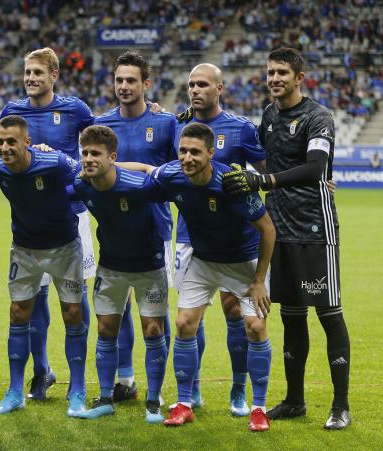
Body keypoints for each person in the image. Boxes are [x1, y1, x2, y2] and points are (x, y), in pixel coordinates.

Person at [222, 47, 351, 430]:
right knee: (293, 318)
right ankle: (295, 400)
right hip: (279, 229)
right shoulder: (269, 113)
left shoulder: (317, 117)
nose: (275, 78)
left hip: (316, 229)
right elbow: (252, 149)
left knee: (329, 315)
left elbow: (315, 167)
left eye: (282, 73)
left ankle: (340, 405)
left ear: (299, 77)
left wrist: (266, 181)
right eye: (271, 72)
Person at [120, 122, 275, 432]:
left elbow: (268, 230)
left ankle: (258, 408)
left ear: (210, 152)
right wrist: (106, 166)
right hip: (203, 261)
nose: (187, 158)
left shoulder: (231, 183)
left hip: (242, 261)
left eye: (194, 152)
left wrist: (258, 280)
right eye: (182, 151)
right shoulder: (173, 174)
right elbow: (145, 173)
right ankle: (185, 403)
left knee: (255, 327)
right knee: (183, 323)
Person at [170, 63, 267, 415]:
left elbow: (267, 171)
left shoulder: (240, 129)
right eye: (191, 84)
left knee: (232, 311)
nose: (195, 90)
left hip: (232, 240)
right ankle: (191, 391)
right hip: (187, 236)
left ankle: (239, 391)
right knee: (188, 316)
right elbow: (166, 169)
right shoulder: (177, 125)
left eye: (203, 84)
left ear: (220, 89)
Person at [0, 47, 95, 400]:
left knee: (75, 299)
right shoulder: (12, 112)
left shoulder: (76, 110)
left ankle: (78, 378)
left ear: (53, 75)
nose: (30, 79)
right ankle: (41, 371)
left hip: (72, 216)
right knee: (33, 299)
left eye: (38, 73)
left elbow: (100, 143)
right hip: (29, 220)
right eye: (27, 72)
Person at [0, 115, 88, 417]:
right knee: (18, 313)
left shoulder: (54, 162)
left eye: (11, 142)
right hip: (25, 249)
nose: (4, 148)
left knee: (72, 314)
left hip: (65, 248)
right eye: (0, 142)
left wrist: (59, 198)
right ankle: (16, 391)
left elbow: (84, 177)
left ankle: (78, 390)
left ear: (27, 142)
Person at [70, 125, 168, 424]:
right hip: (111, 266)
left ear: (112, 157)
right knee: (105, 330)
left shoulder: (139, 186)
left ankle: (153, 401)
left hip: (149, 265)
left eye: (95, 154)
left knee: (153, 330)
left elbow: (167, 181)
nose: (88, 159)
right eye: (85, 153)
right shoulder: (81, 185)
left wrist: (149, 167)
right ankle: (104, 398)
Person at [94, 51, 176, 403]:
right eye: (119, 80)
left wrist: (128, 169)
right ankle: (124, 379)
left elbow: (177, 170)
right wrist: (137, 168)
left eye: (131, 80)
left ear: (146, 84)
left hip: (154, 230)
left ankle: (159, 389)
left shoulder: (166, 123)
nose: (124, 86)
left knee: (155, 315)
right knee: (117, 311)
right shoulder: (101, 125)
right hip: (113, 232)